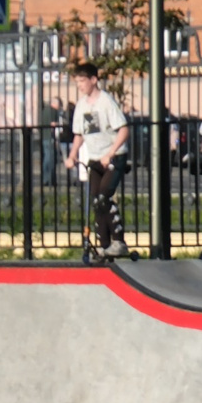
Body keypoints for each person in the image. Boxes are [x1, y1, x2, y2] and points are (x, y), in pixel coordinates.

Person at [67, 63, 130, 258]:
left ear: (94, 80)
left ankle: (118, 242)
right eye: (77, 82)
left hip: (113, 157)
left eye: (82, 81)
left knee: (104, 196)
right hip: (95, 159)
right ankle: (104, 245)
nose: (80, 85)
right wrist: (73, 154)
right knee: (96, 200)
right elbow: (79, 134)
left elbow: (124, 129)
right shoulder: (81, 106)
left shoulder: (106, 102)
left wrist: (110, 153)